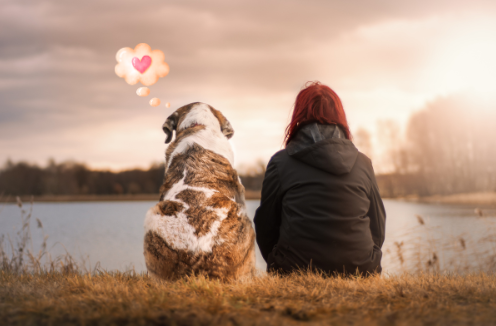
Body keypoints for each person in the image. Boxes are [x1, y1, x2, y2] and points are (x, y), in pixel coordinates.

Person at [254, 81, 386, 276]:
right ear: (340, 117)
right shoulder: (363, 163)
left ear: (298, 116)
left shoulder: (280, 163)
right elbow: (378, 224)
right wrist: (366, 259)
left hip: (294, 270)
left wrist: (278, 262)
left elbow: (266, 226)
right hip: (360, 269)